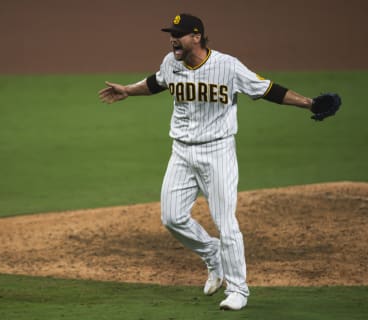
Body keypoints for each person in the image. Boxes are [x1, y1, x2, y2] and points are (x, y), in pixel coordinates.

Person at [98, 13, 340, 311]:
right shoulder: (170, 62)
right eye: (171, 34)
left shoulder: (227, 66)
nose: (173, 38)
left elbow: (267, 89)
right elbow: (157, 82)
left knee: (226, 223)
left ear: (196, 37)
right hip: (181, 153)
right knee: (172, 218)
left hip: (218, 153)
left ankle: (238, 289)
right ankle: (213, 254)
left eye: (180, 34)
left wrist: (310, 104)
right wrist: (127, 90)